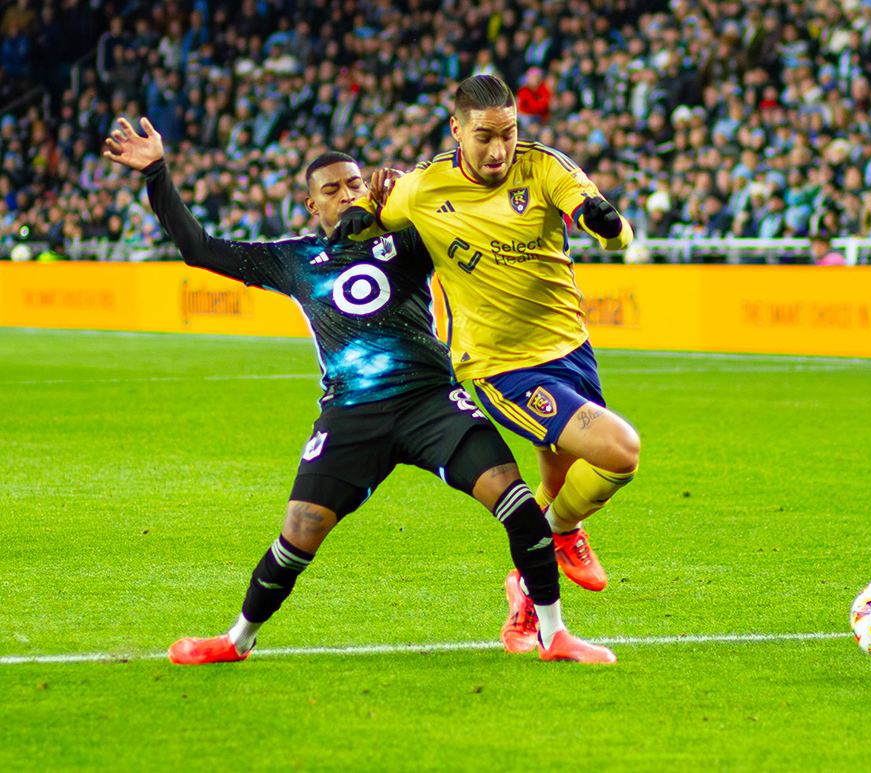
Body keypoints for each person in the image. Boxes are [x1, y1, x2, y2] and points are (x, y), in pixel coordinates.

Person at [102, 116, 615, 665]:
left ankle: (553, 634)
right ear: (311, 206)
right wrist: (156, 171)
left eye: (353, 183)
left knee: (516, 502)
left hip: (429, 402)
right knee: (298, 534)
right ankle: (237, 640)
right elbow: (198, 247)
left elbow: (460, 208)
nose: (345, 194)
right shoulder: (293, 258)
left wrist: (410, 191)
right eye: (331, 190)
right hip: (352, 414)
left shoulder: (409, 237)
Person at [335, 75, 640, 654]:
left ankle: (524, 592)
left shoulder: (545, 167)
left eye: (509, 133)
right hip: (499, 367)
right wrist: (358, 214)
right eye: (484, 137)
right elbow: (371, 217)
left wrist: (607, 223)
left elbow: (616, 234)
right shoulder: (425, 187)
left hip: (570, 349)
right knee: (619, 452)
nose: (499, 150)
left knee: (556, 481)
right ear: (456, 130)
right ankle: (560, 534)